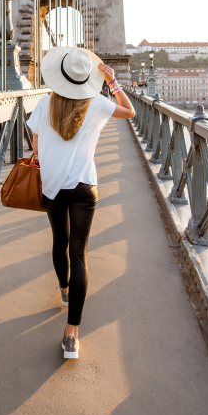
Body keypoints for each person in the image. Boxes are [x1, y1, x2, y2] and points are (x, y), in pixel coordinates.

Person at [26, 47, 135, 359]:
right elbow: (129, 112)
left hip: (53, 188)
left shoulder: (44, 103)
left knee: (59, 242)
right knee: (80, 255)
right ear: (87, 79)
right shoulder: (98, 103)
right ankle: (72, 335)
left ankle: (64, 291)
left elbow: (34, 145)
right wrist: (113, 82)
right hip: (85, 188)